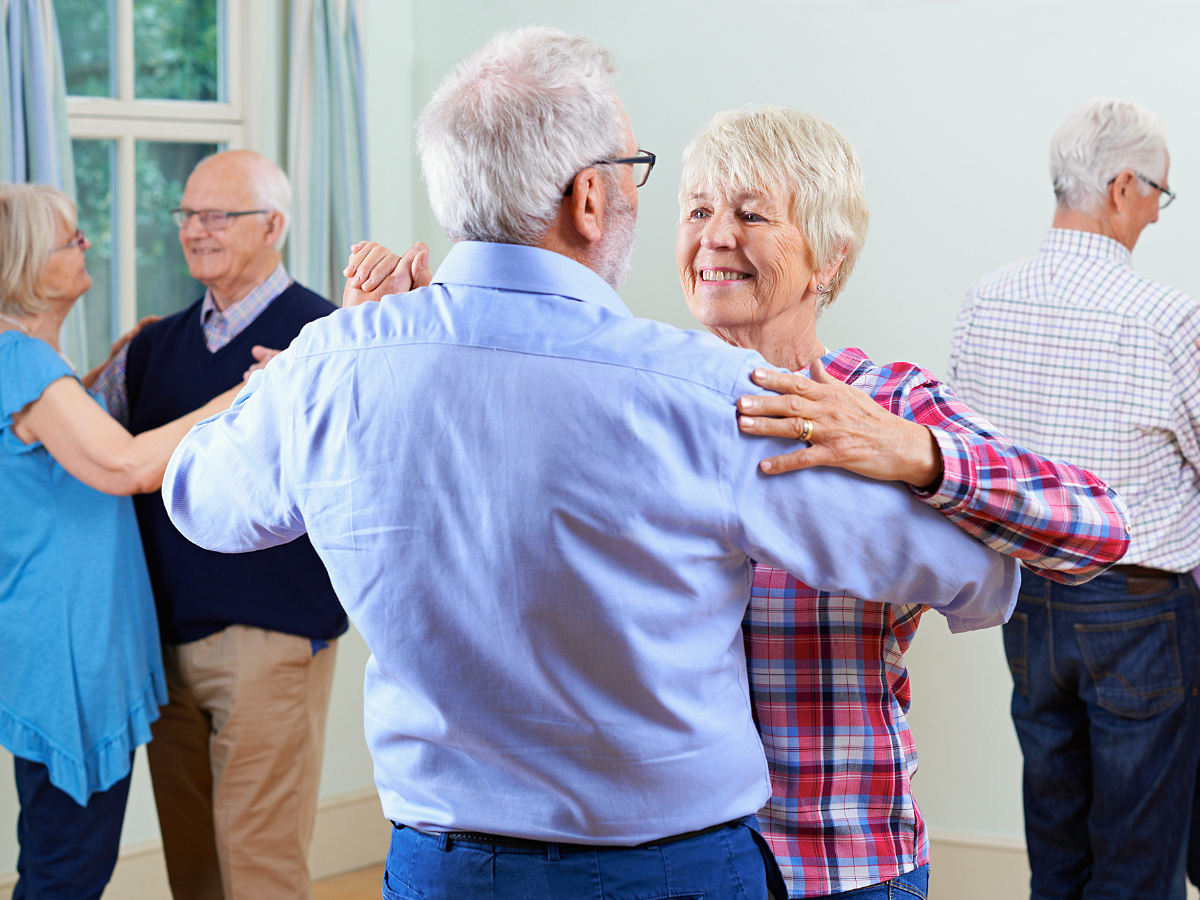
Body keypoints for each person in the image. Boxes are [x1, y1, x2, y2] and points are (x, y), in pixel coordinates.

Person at [161, 27, 1020, 900]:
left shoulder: (333, 362)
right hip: (670, 872)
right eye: (635, 172)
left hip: (438, 870)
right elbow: (969, 575)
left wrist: (337, 354)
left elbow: (200, 498)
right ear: (587, 200)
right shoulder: (705, 393)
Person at [353, 105, 1131, 899]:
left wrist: (913, 452)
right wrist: (414, 341)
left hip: (841, 861)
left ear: (828, 257)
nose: (716, 236)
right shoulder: (637, 395)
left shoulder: (885, 401)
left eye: (751, 213)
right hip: (661, 867)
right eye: (697, 211)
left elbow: (1099, 528)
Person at [948, 97, 1198, 899]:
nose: (1159, 213)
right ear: (1123, 186)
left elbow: (962, 457)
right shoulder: (1167, 319)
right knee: (1139, 855)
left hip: (1026, 598)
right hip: (1140, 606)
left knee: (1056, 841)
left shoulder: (987, 299)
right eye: (1160, 191)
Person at [91, 150, 347, 900]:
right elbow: (84, 449)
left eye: (217, 215)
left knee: (260, 869)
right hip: (163, 642)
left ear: (273, 226)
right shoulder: (152, 345)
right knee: (193, 873)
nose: (195, 230)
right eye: (187, 215)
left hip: (269, 641)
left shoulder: (322, 337)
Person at [0, 182, 238, 899]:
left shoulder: (34, 367)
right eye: (69, 239)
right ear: (23, 265)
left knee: (54, 852)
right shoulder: (26, 364)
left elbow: (50, 458)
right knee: (69, 869)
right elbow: (126, 465)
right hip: (69, 653)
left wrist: (104, 371)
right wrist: (252, 392)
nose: (86, 245)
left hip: (52, 640)